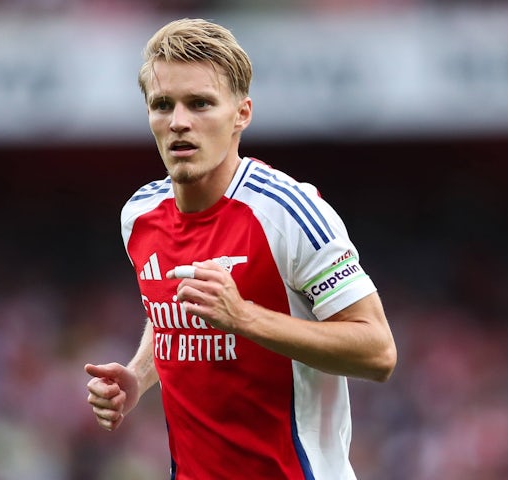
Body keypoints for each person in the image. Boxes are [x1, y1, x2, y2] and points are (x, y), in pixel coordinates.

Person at [85, 17, 397, 479]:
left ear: (242, 114)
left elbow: (378, 352)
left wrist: (245, 316)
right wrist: (139, 375)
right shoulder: (139, 215)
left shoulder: (287, 214)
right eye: (162, 104)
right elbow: (173, 312)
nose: (179, 122)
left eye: (200, 104)